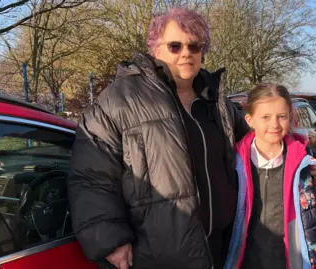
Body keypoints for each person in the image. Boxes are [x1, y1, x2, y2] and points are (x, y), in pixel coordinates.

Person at [67, 7, 249, 269]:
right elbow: (91, 176)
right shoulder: (120, 100)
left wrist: (300, 160)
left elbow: (257, 146)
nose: (186, 53)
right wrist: (110, 238)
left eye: (194, 46)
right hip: (160, 256)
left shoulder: (216, 101)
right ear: (156, 50)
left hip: (222, 249)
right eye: (175, 46)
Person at [223, 84, 316, 269]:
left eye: (282, 117)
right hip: (245, 261)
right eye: (265, 117)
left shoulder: (302, 163)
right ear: (250, 120)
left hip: (289, 260)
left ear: (290, 117)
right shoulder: (233, 162)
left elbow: (312, 218)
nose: (275, 125)